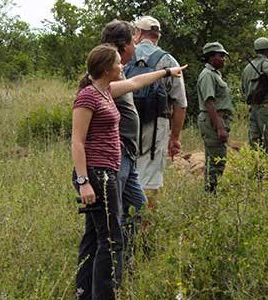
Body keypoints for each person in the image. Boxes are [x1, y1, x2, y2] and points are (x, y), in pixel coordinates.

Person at [72, 43, 186, 299]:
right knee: (111, 240)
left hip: (107, 172)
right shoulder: (88, 97)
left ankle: (84, 293)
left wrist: (168, 72)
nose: (122, 66)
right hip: (97, 175)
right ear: (105, 68)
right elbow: (77, 141)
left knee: (96, 236)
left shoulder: (107, 91)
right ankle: (104, 294)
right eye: (117, 62)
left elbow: (136, 83)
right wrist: (83, 182)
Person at [100, 20, 146, 262]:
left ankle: (126, 259)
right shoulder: (104, 75)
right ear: (123, 45)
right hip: (116, 154)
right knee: (113, 215)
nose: (136, 48)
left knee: (138, 205)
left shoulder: (118, 69)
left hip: (128, 152)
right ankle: (113, 268)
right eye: (133, 42)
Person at [132, 16, 188, 208]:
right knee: (151, 176)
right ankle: (146, 226)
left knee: (125, 171)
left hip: (125, 122)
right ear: (158, 36)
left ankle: (123, 224)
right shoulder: (168, 60)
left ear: (138, 33)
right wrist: (175, 137)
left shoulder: (124, 55)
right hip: (157, 124)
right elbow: (180, 103)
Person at [196, 42, 234, 193]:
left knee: (216, 157)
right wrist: (219, 127)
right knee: (216, 159)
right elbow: (209, 102)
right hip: (212, 120)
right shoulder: (207, 76)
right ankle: (211, 193)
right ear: (211, 57)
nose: (223, 59)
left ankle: (212, 191)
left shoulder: (215, 74)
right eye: (221, 56)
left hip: (216, 119)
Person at [241, 37, 268, 155]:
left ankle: (258, 171)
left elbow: (244, 90)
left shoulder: (247, 69)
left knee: (256, 144)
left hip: (253, 109)